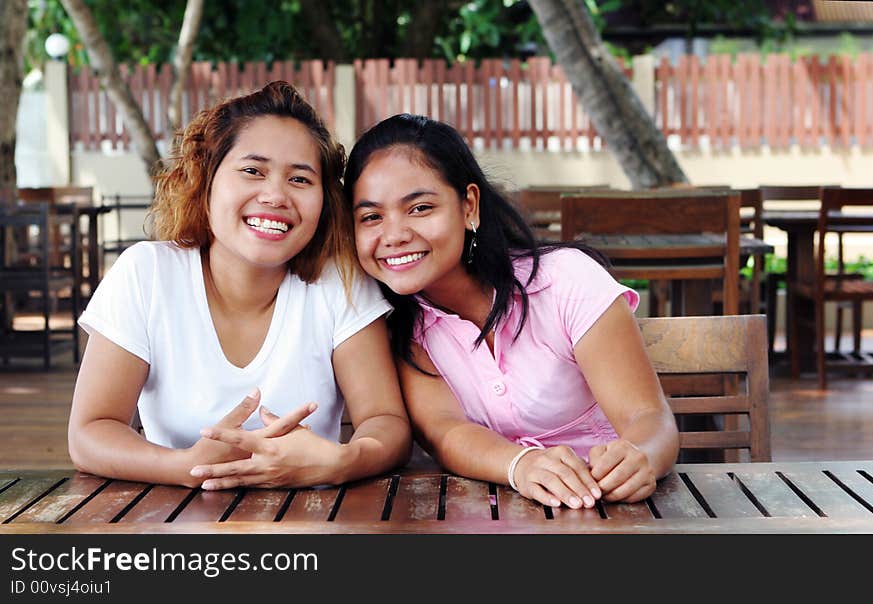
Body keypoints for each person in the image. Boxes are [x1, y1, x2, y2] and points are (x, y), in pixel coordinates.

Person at [69, 82, 411, 490]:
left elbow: (386, 422)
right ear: (206, 179)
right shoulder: (147, 274)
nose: (275, 195)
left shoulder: (338, 282)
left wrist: (342, 462)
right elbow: (90, 432)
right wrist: (185, 467)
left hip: (314, 528)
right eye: (253, 171)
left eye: (300, 179)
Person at [343, 114, 679, 509]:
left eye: (419, 208)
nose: (395, 234)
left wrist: (641, 457)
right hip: (491, 518)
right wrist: (520, 465)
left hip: (609, 509)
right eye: (371, 217)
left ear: (469, 205)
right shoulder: (397, 326)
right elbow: (446, 430)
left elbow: (649, 418)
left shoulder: (565, 281)